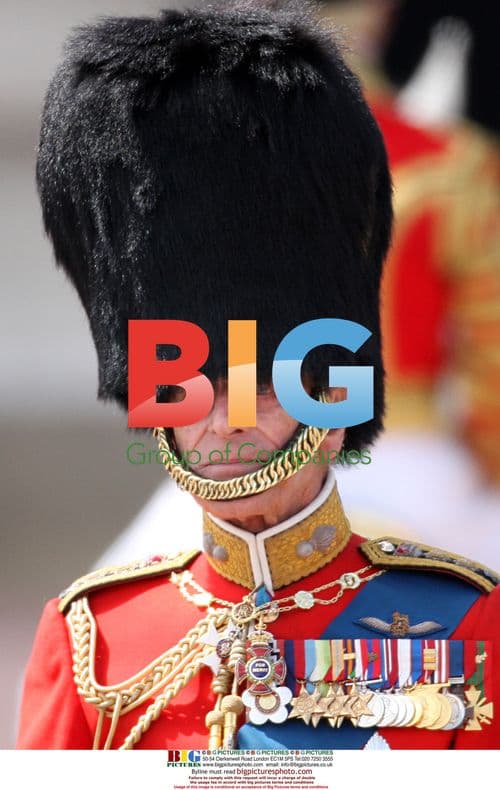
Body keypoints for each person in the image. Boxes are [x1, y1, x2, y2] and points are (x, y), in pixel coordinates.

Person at [17, 1, 499, 750]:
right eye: (187, 386)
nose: (230, 417)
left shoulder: (471, 620)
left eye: (265, 383)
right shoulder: (90, 635)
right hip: (423, 452)